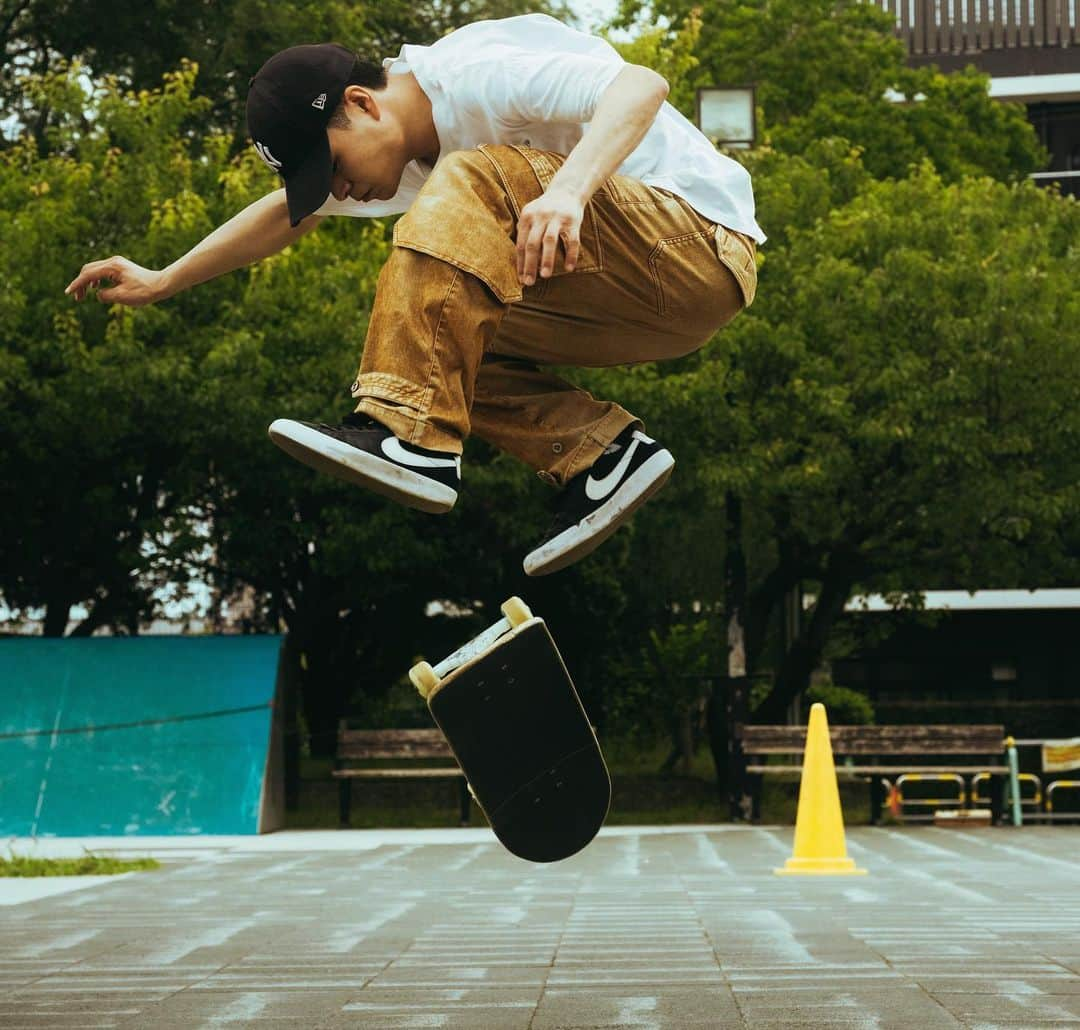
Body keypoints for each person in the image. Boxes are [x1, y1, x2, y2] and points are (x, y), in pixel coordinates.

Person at [66, 13, 765, 576]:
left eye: (334, 168)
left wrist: (569, 192)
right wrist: (165, 277)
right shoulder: (400, 155)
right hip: (640, 301)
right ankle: (605, 457)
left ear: (362, 103)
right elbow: (284, 215)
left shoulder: (475, 74)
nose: (340, 192)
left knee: (465, 191)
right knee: (436, 322)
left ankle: (415, 441)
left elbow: (641, 85)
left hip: (697, 245)